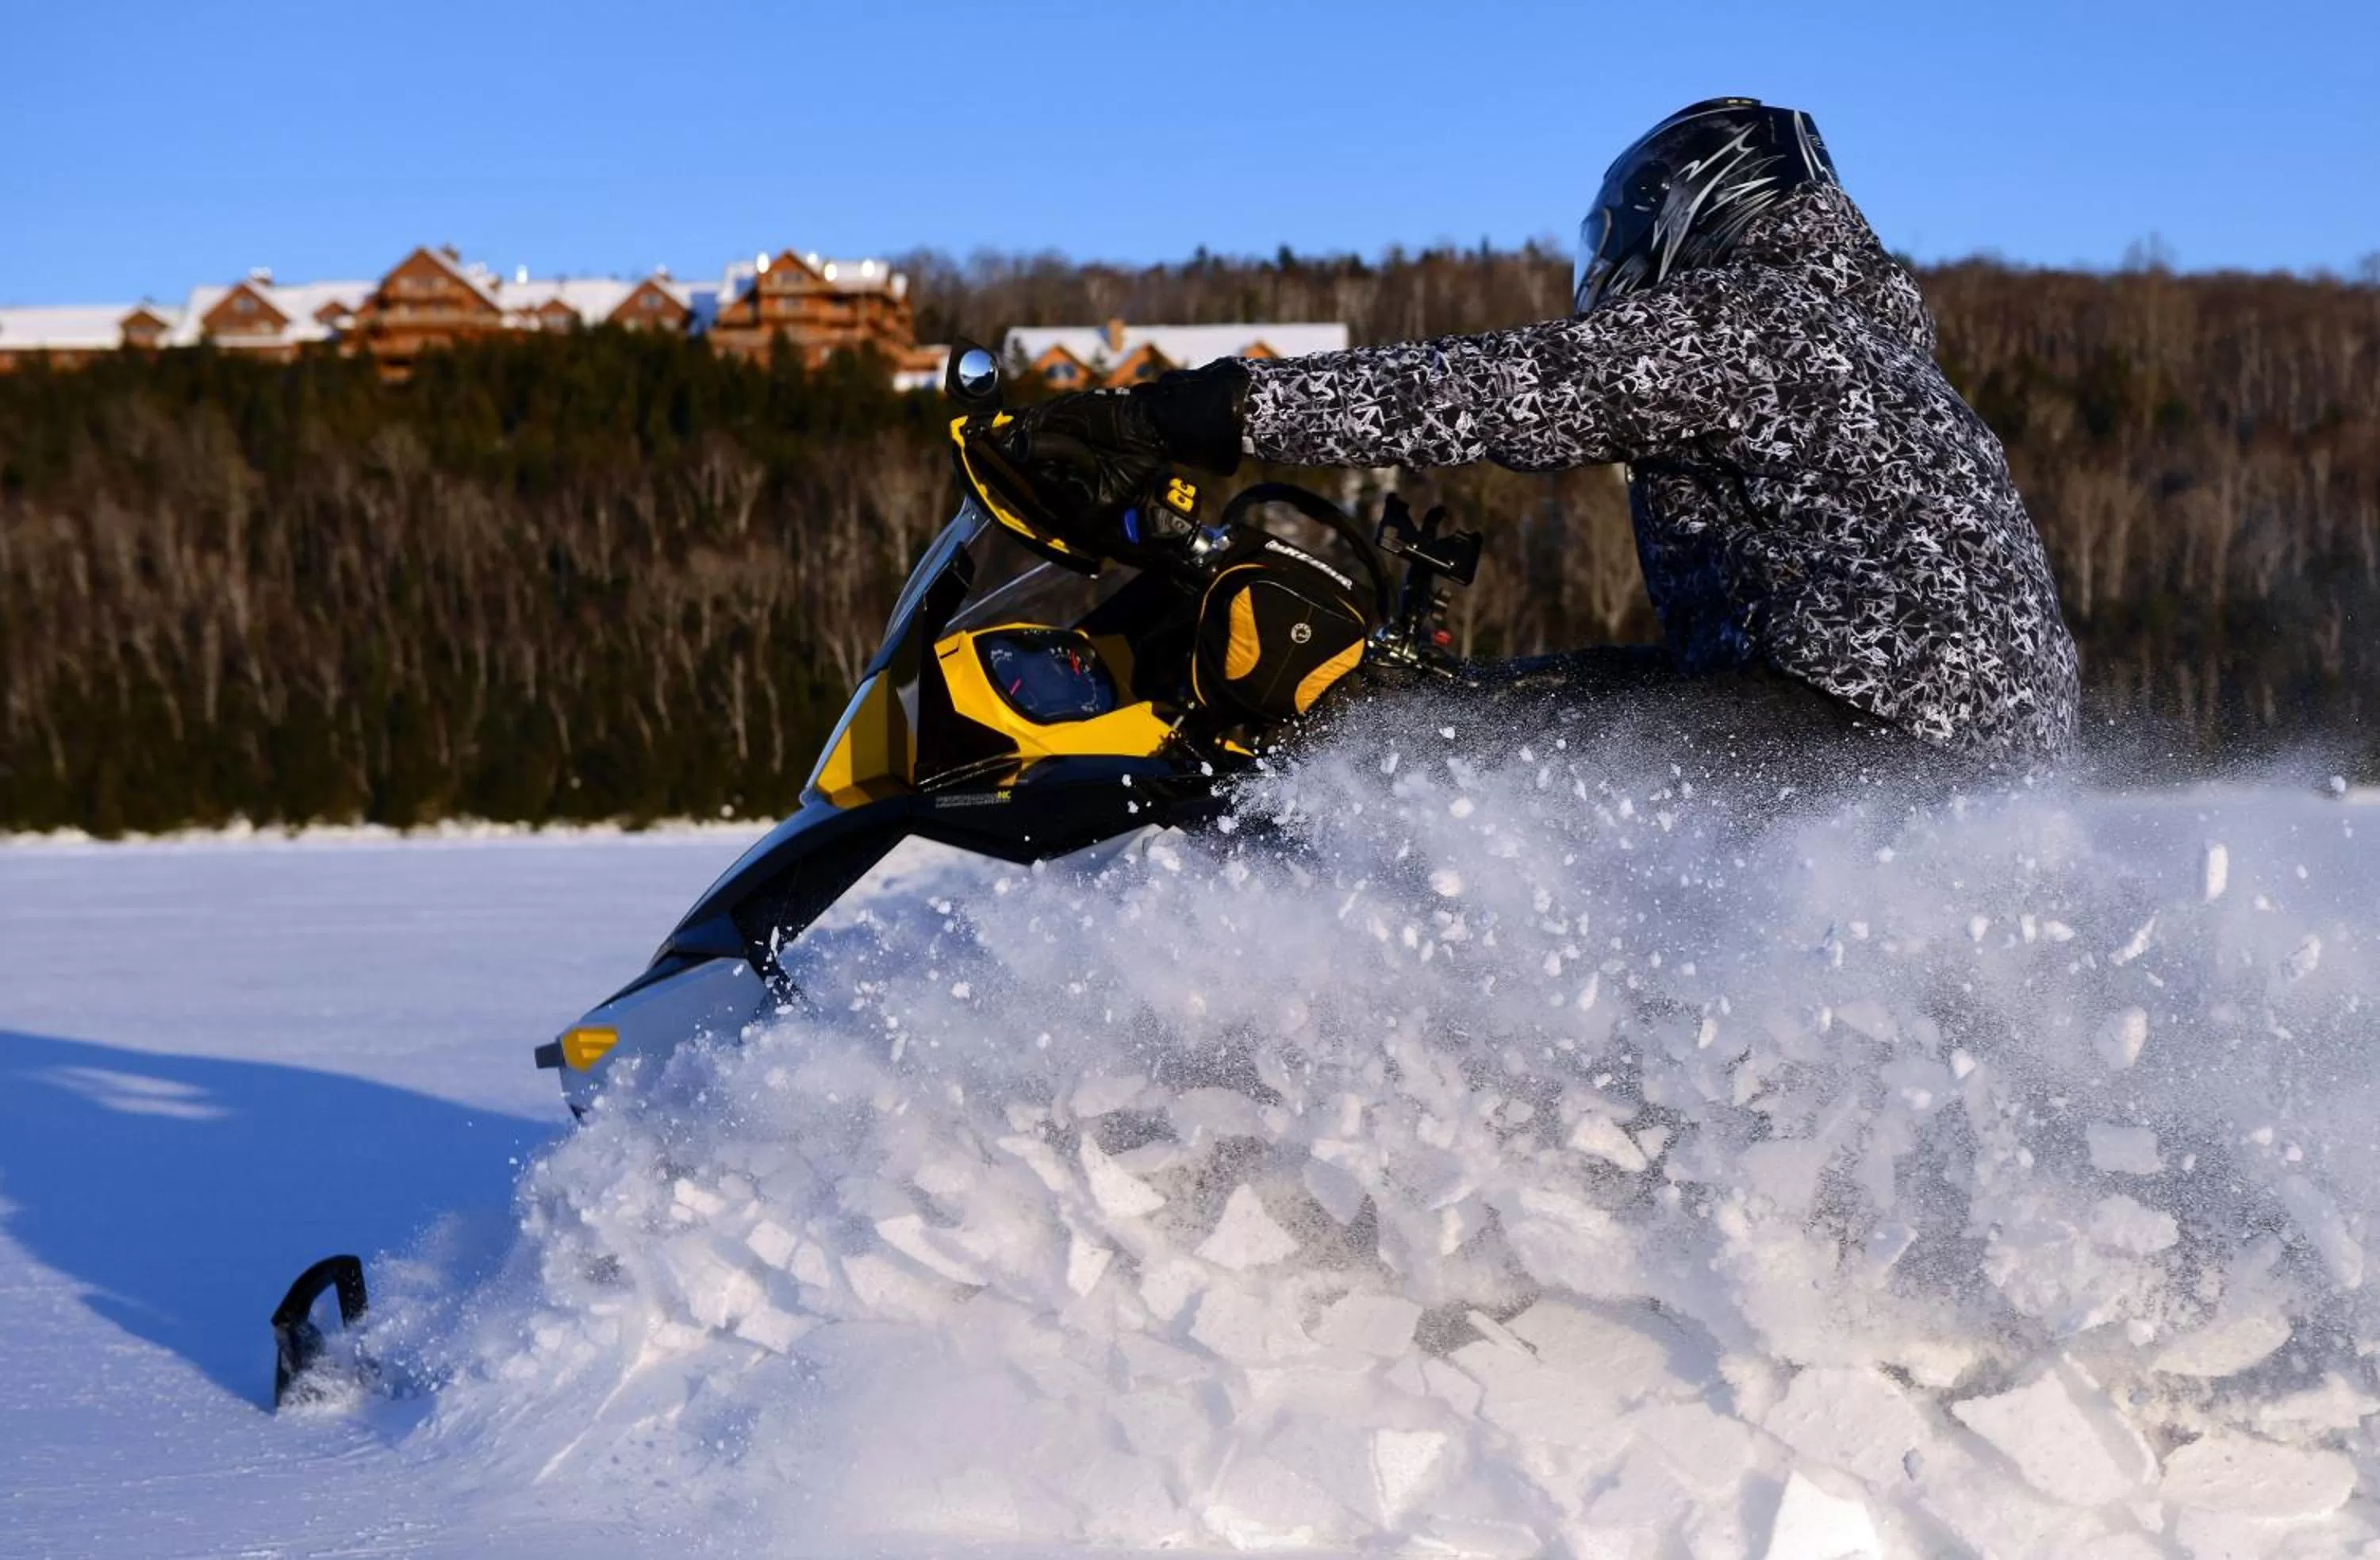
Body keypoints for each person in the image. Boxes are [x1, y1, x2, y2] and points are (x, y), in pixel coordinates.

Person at [998, 97, 2082, 767]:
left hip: (1847, 739)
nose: (1613, 273)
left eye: (1625, 234)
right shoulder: (1882, 358)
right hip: (1937, 762)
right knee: (1482, 719)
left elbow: (1505, 390)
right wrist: (1492, 691)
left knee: (1449, 770)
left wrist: (1209, 410)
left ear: (1703, 205)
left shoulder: (1762, 321)